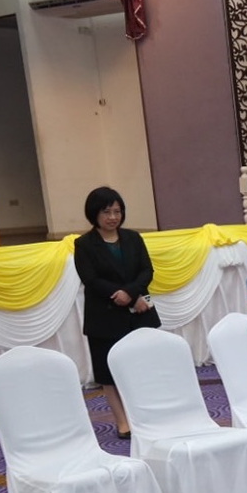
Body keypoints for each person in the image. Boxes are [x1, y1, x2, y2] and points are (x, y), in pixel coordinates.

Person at [72, 186, 162, 440]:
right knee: (108, 372)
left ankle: (146, 414)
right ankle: (123, 422)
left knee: (142, 366)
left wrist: (131, 294)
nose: (113, 217)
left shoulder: (133, 238)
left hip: (139, 310)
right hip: (105, 315)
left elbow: (146, 271)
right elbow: (90, 279)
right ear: (94, 214)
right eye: (106, 212)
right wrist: (119, 294)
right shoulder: (84, 244)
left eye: (117, 211)